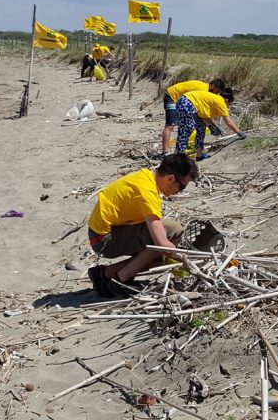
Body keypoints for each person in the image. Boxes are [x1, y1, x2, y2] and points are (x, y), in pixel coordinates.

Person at [85, 154, 199, 297]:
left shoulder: (147, 176)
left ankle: (106, 273)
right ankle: (122, 278)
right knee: (163, 244)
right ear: (170, 178)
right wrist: (190, 260)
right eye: (181, 187)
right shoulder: (147, 192)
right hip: (104, 239)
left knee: (173, 233)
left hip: (110, 230)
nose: (179, 191)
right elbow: (161, 243)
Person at [174, 88, 246, 161]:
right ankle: (179, 157)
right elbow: (228, 122)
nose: (228, 107)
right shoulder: (221, 102)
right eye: (229, 104)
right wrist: (239, 132)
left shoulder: (214, 99)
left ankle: (199, 155)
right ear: (227, 100)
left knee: (201, 128)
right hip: (186, 102)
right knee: (187, 129)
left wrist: (213, 127)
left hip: (189, 104)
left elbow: (204, 116)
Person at [161, 79, 225, 154]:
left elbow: (203, 113)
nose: (216, 94)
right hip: (172, 97)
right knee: (170, 125)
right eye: (216, 91)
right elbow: (203, 113)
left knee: (190, 125)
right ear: (212, 86)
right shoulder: (203, 90)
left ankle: (188, 151)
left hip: (181, 101)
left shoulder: (206, 90)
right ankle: (165, 152)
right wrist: (213, 126)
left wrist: (213, 126)